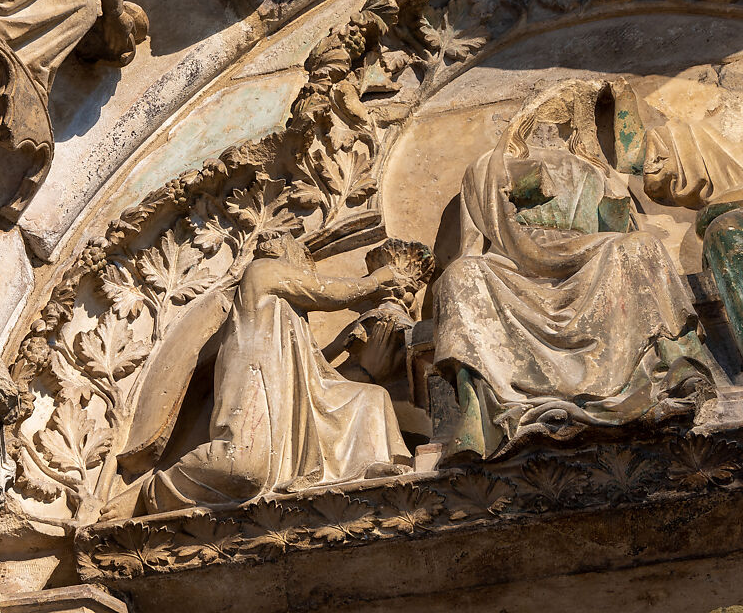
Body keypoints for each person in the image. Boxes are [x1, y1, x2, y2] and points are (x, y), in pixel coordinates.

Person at [433, 79, 717, 460]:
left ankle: (677, 365)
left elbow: (616, 228)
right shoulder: (490, 165)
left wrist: (613, 190)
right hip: (515, 267)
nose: (555, 118)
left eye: (567, 112)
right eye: (546, 107)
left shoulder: (592, 169)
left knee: (640, 246)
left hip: (589, 255)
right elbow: (478, 237)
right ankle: (478, 415)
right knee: (462, 276)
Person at [130, 233, 412, 513]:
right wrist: (377, 280)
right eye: (302, 260)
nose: (304, 269)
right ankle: (149, 493)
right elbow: (323, 291)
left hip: (286, 395)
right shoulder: (261, 271)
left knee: (371, 396)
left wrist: (342, 344)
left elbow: (311, 371)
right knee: (241, 466)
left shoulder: (288, 312)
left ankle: (369, 465)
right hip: (255, 381)